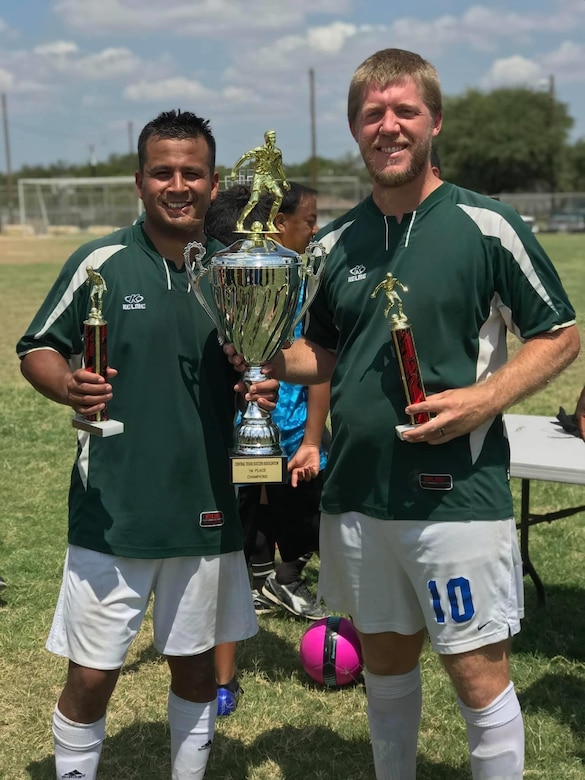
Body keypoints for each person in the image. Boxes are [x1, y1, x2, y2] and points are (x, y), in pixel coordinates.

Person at [226, 48, 580, 779]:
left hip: (456, 496)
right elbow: (320, 355)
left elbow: (558, 334)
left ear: (433, 122)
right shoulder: (329, 244)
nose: (387, 127)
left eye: (402, 112)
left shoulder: (486, 225)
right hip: (355, 497)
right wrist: (255, 349)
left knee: (477, 679)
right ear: (356, 130)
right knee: (385, 668)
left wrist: (483, 399)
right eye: (371, 115)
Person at [16, 109, 278, 780]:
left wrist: (258, 380)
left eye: (192, 172)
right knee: (93, 673)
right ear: (140, 181)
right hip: (115, 509)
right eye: (163, 171)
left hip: (206, 504)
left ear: (214, 183)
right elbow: (38, 347)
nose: (178, 184)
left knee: (193, 665)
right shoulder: (100, 261)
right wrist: (68, 382)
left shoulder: (236, 272)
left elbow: (265, 358)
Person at [205, 182, 329, 715]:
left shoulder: (298, 281)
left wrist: (312, 438)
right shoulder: (222, 282)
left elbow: (321, 363)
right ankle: (220, 671)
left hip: (289, 425)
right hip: (236, 430)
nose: (317, 228)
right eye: (309, 219)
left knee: (295, 511)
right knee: (234, 535)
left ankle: (286, 578)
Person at [230, 130, 290, 233]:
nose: (273, 140)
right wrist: (234, 171)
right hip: (259, 176)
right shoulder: (259, 150)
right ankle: (240, 222)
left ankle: (270, 222)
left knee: (279, 196)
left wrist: (284, 180)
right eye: (271, 138)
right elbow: (244, 157)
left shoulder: (277, 152)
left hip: (268, 176)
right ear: (266, 139)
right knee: (254, 200)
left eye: (274, 138)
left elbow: (279, 167)